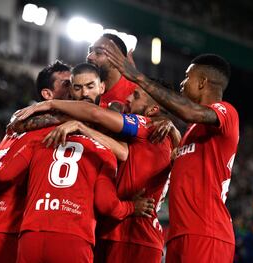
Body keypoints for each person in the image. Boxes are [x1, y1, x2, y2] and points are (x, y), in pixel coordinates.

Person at [102, 43, 239, 263]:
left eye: (187, 77)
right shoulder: (191, 133)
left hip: (207, 233)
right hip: (178, 235)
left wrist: (138, 77)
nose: (182, 83)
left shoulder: (227, 113)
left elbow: (187, 111)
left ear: (202, 82)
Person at [15, 84, 180, 263]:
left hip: (133, 236)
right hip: (114, 233)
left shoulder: (146, 126)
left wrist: (50, 105)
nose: (129, 98)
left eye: (136, 96)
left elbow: (95, 114)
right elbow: (123, 151)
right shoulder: (148, 136)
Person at [0, 60, 72, 263]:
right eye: (66, 83)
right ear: (47, 95)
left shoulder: (18, 126)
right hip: (7, 231)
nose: (73, 88)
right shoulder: (44, 131)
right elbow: (8, 174)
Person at [87, 33, 137, 108]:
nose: (90, 56)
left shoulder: (136, 93)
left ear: (118, 59)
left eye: (98, 53)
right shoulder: (84, 89)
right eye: (90, 51)